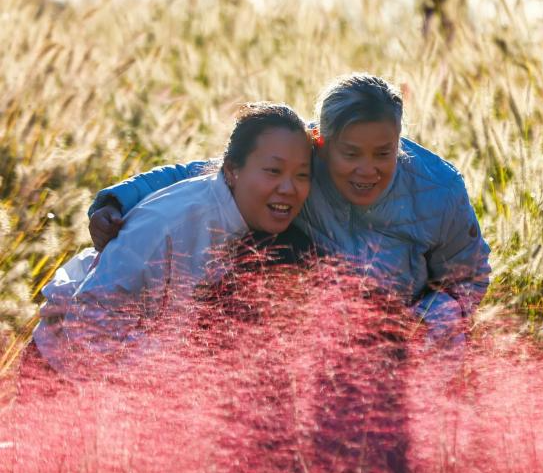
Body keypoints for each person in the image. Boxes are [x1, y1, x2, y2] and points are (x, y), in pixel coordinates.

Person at [88, 73, 491, 344]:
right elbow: (207, 173)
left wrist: (421, 326)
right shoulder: (298, 169)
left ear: (399, 141)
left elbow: (468, 278)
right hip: (317, 337)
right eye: (350, 153)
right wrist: (117, 200)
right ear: (321, 141)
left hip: (412, 341)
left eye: (383, 153)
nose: (367, 169)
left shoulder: (439, 189)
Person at [31, 103, 313, 375]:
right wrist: (181, 364)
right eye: (273, 171)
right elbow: (86, 328)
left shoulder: (249, 216)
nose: (288, 188)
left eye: (302, 174)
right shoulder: (168, 224)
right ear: (231, 170)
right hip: (57, 372)